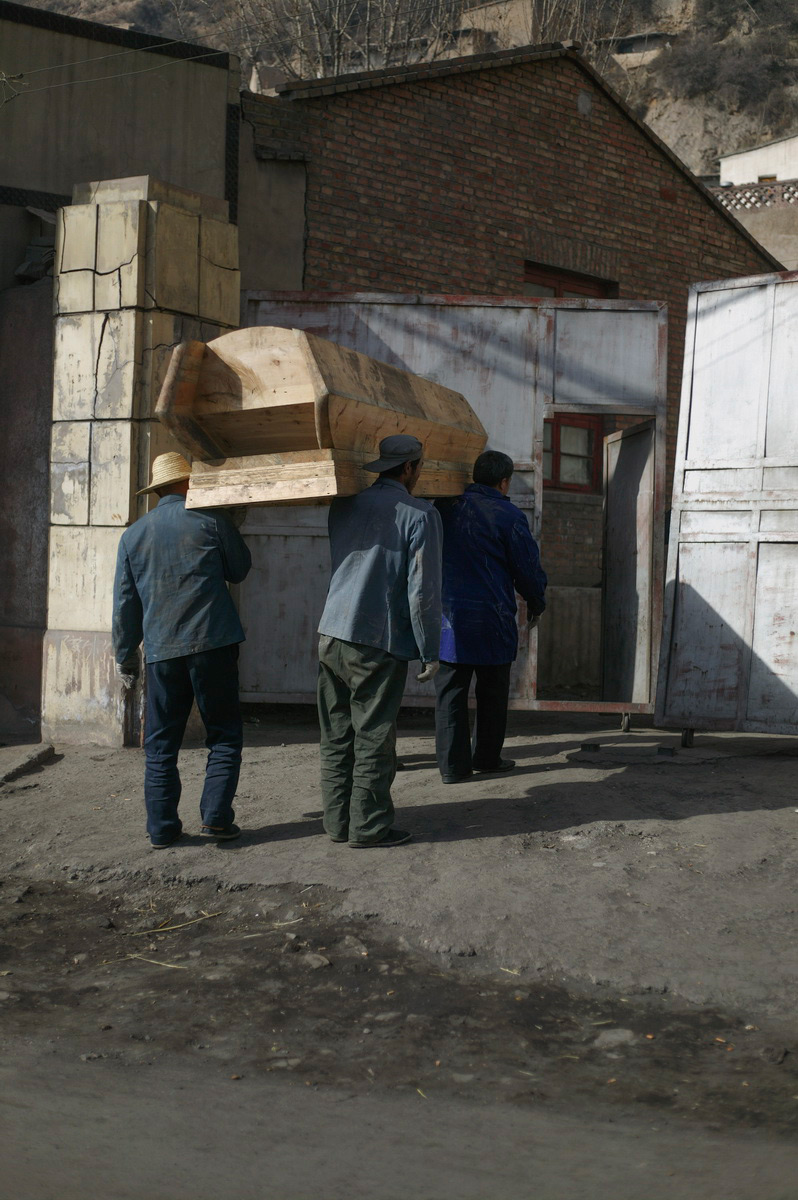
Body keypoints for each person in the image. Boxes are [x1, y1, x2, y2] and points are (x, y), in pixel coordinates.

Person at [112, 452, 252, 848]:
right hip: (214, 644)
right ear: (189, 483)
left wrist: (125, 656)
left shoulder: (133, 536)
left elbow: (125, 604)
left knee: (160, 745)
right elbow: (239, 570)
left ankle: (162, 828)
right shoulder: (212, 521)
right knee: (223, 736)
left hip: (162, 651)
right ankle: (216, 820)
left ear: (158, 490)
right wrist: (233, 522)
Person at [317, 434, 442, 848]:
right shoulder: (420, 514)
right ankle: (368, 828)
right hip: (376, 639)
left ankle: (337, 823)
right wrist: (429, 650)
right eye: (419, 466)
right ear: (409, 468)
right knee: (373, 736)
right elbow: (422, 592)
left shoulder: (344, 504)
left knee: (337, 736)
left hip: (331, 632)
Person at [434, 450, 547, 783]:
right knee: (493, 693)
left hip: (449, 619)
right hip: (491, 619)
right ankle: (486, 758)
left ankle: (452, 768)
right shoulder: (508, 515)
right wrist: (537, 601)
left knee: (450, 693)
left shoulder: (443, 508)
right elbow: (526, 567)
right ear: (504, 481)